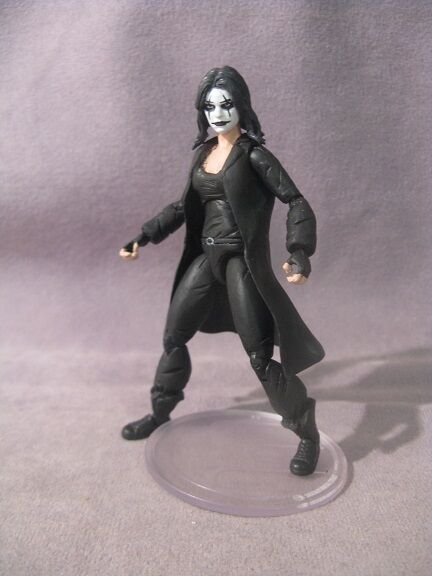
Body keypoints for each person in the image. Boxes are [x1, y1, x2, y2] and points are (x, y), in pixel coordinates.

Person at [119, 66, 325, 475]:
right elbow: (182, 207)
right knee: (174, 337)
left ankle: (307, 434)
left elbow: (296, 201)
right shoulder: (203, 154)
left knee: (260, 357)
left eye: (226, 104)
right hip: (206, 259)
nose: (218, 113)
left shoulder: (254, 156)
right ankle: (159, 412)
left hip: (239, 263)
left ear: (241, 106)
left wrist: (299, 251)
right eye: (210, 106)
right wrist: (144, 235)